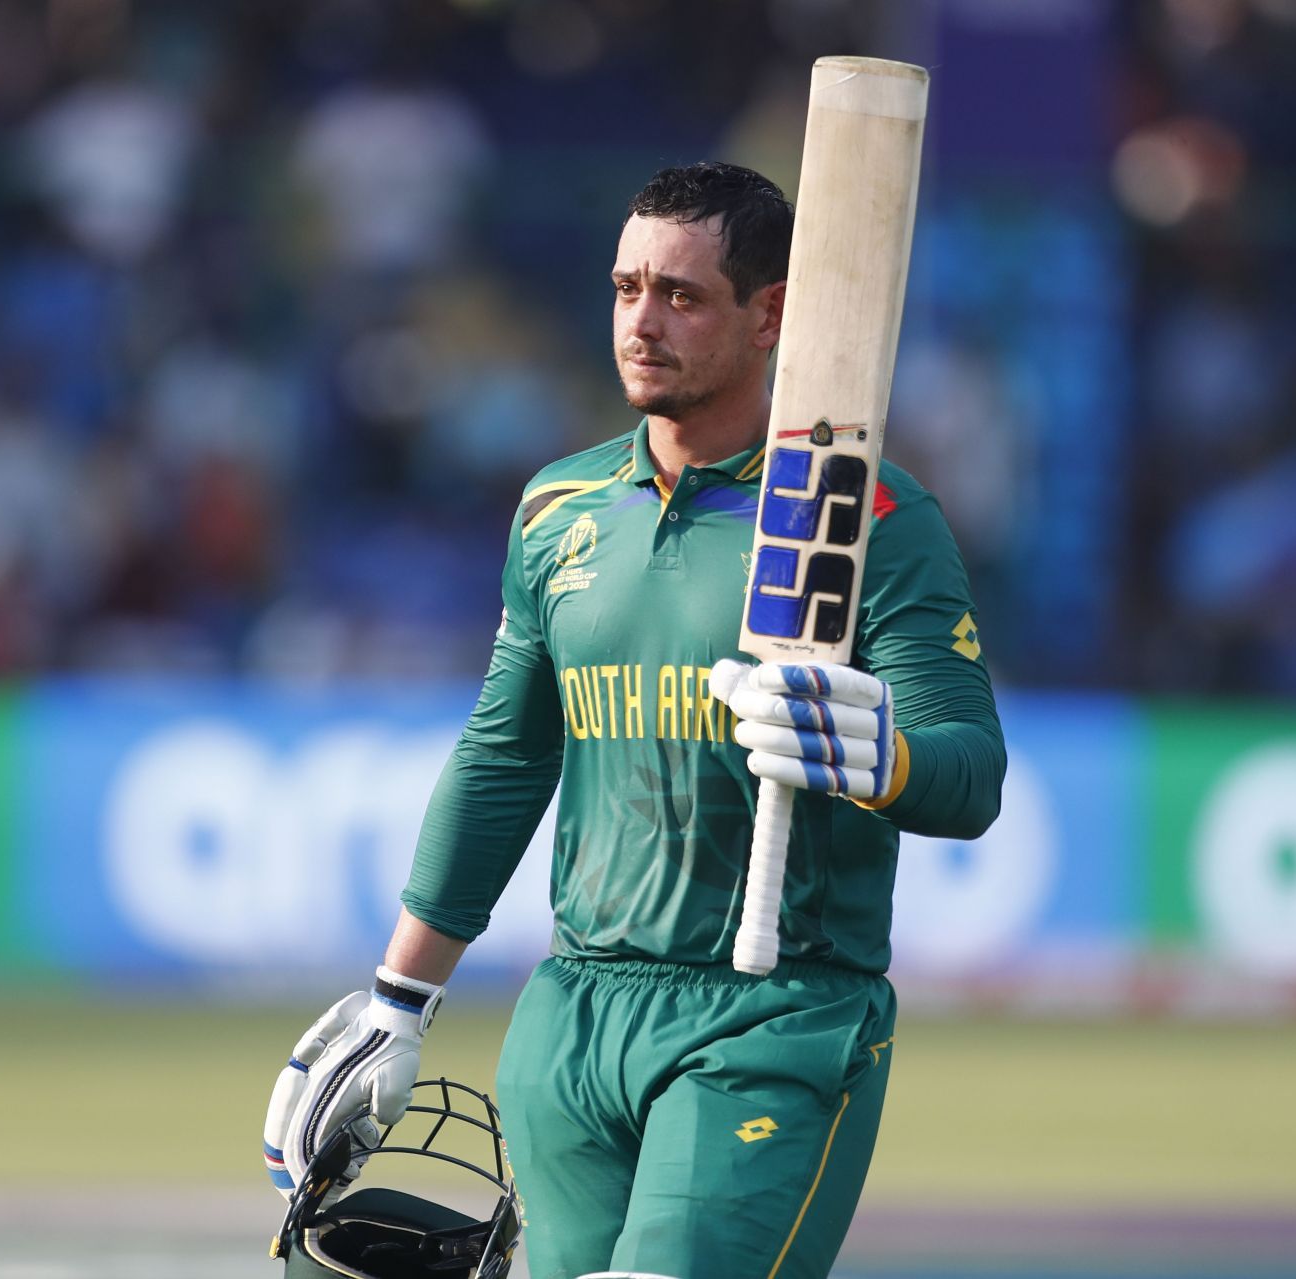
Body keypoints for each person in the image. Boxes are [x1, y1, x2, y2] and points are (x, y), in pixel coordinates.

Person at [266, 162, 1006, 1279]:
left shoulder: (874, 524)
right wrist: (399, 997)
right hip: (571, 1017)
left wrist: (879, 756)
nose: (641, 322)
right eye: (626, 288)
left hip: (772, 1016)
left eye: (680, 295)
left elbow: (970, 772)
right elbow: (506, 756)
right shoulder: (559, 507)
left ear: (772, 316)